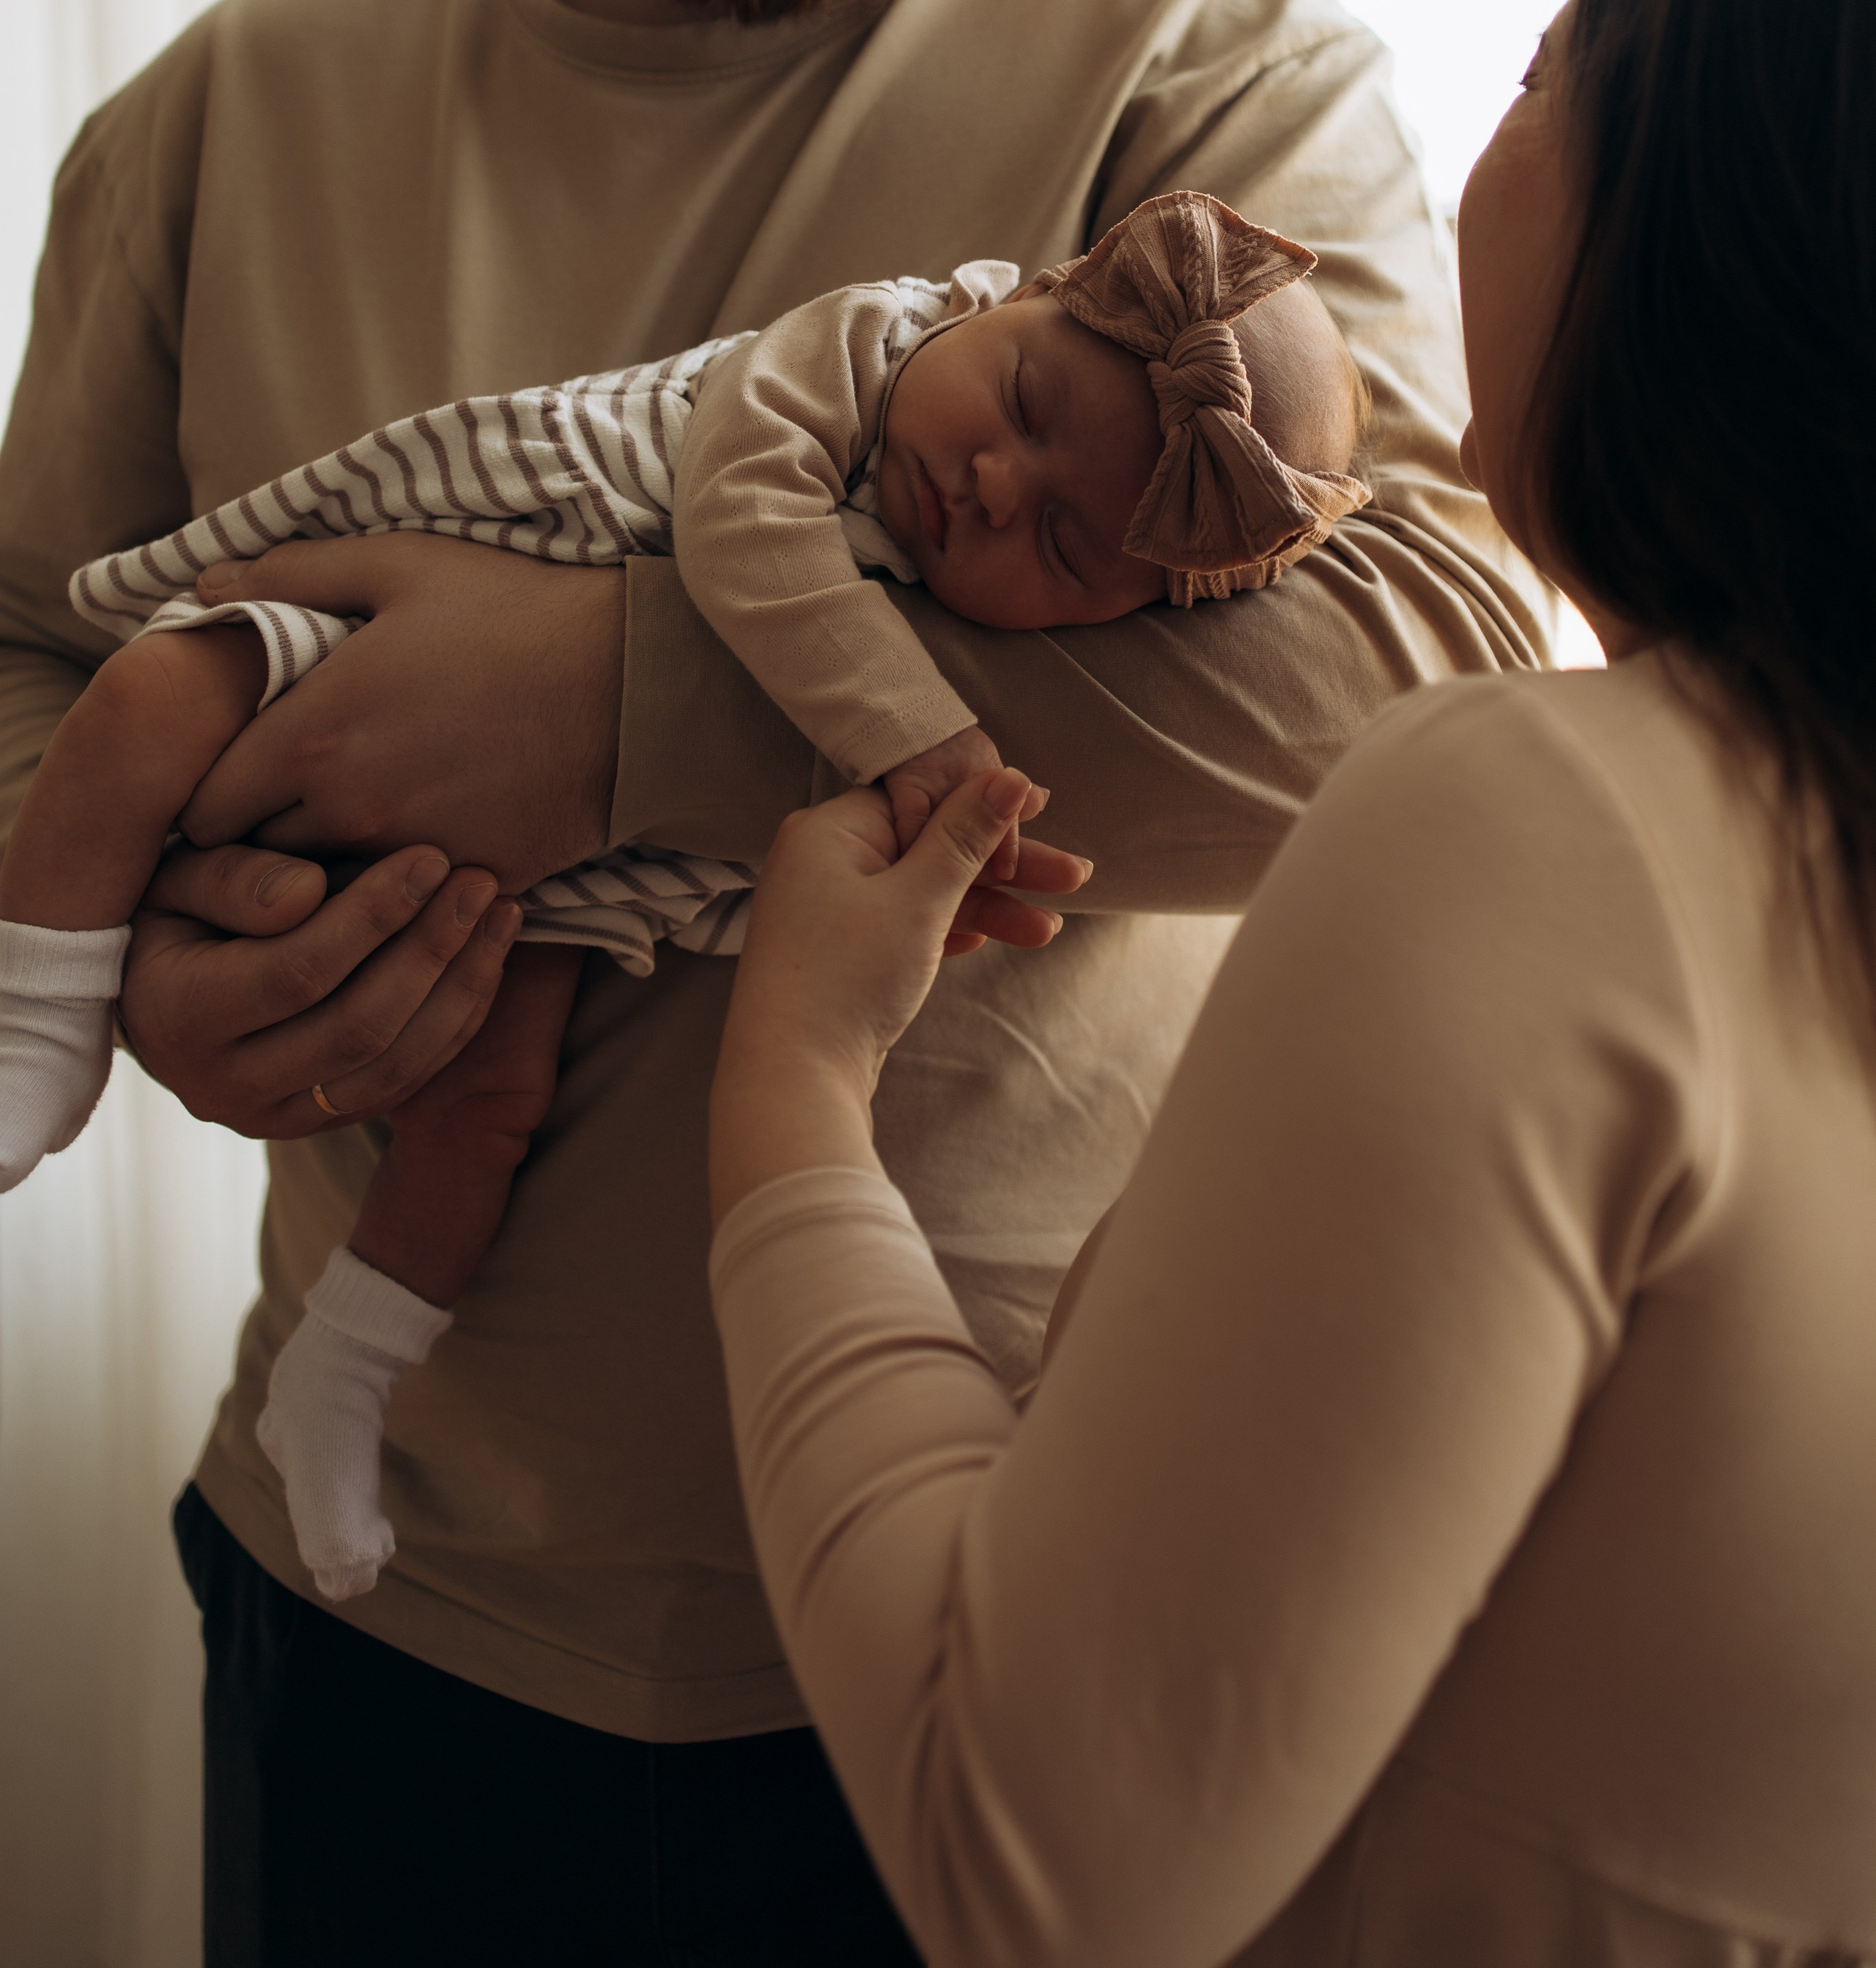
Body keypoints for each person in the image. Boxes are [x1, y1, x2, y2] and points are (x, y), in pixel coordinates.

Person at [0, 0, 1543, 1953]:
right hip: (381, 1618)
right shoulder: (222, 119)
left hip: (1019, 1622)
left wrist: (618, 703)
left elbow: (1424, 667)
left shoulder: (1210, 81)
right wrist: (136, 946)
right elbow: (22, 660)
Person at [705, 0, 1876, 1964]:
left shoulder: (1547, 824)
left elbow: (1027, 1860)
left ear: (1706, 205)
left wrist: (791, 1096)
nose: (1481, 149)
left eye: (1550, 62)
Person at [1, 196, 1365, 1606]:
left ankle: (344, 1376)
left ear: (1121, 631)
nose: (1001, 486)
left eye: (1069, 553)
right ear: (1004, 300)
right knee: (161, 685)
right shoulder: (860, 346)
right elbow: (738, 518)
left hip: (562, 909)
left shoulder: (1237, 60)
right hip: (377, 615)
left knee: (483, 1110)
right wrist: (921, 743)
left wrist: (918, 885)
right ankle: (43, 1018)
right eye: (1023, 397)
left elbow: (1393, 693)